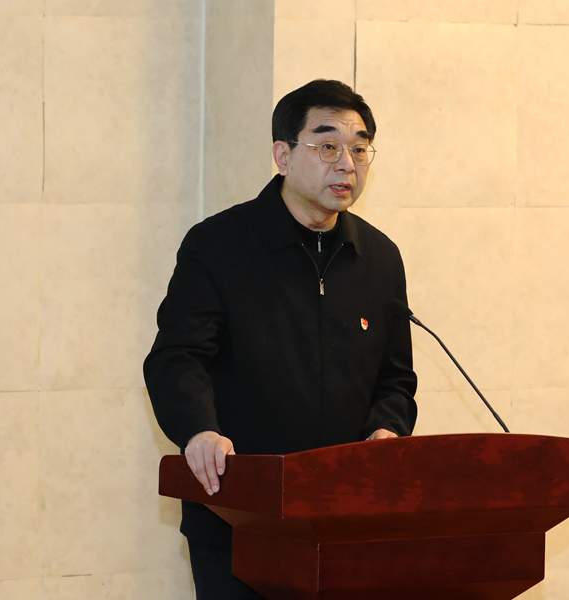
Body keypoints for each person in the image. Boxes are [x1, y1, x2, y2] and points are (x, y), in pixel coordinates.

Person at [144, 79, 417, 600]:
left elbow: (395, 379)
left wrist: (388, 430)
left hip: (345, 518)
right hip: (237, 515)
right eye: (328, 146)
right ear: (283, 155)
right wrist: (199, 430)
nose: (347, 164)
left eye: (359, 149)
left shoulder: (380, 258)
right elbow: (177, 358)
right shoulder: (219, 245)